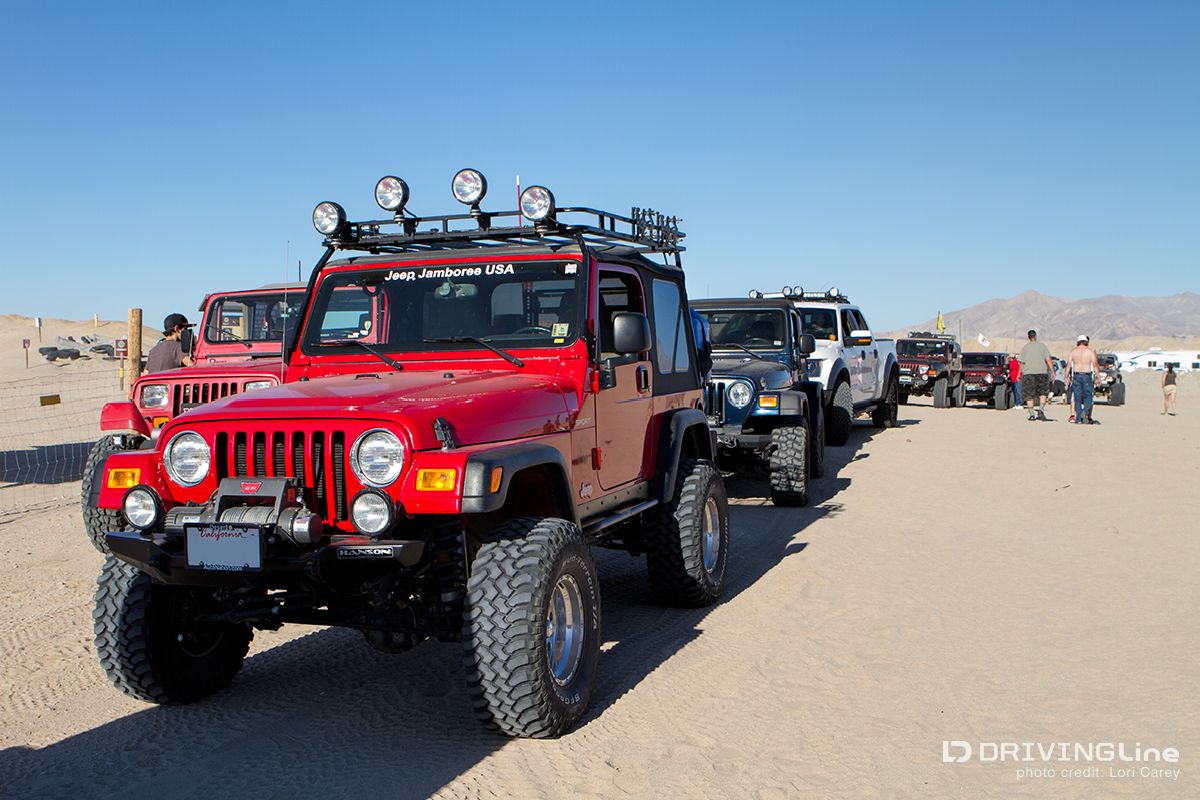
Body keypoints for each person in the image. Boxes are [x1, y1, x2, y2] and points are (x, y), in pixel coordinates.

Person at [1018, 329, 1054, 421]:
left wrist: (1019, 373)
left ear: (1028, 337)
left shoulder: (1025, 347)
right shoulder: (1042, 346)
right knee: (1043, 392)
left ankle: (1031, 414)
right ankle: (1041, 409)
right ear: (1036, 336)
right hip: (1042, 372)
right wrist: (1052, 371)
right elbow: (1048, 359)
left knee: (1029, 394)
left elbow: (1022, 362)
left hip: (1029, 373)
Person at [1065, 335, 1101, 424]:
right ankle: (1085, 411)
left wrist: (1066, 377)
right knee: (1088, 396)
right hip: (1086, 375)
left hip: (1076, 375)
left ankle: (1078, 419)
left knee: (1077, 397)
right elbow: (1095, 365)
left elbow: (1068, 365)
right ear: (1086, 342)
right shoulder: (1090, 351)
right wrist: (1098, 377)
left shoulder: (1073, 352)